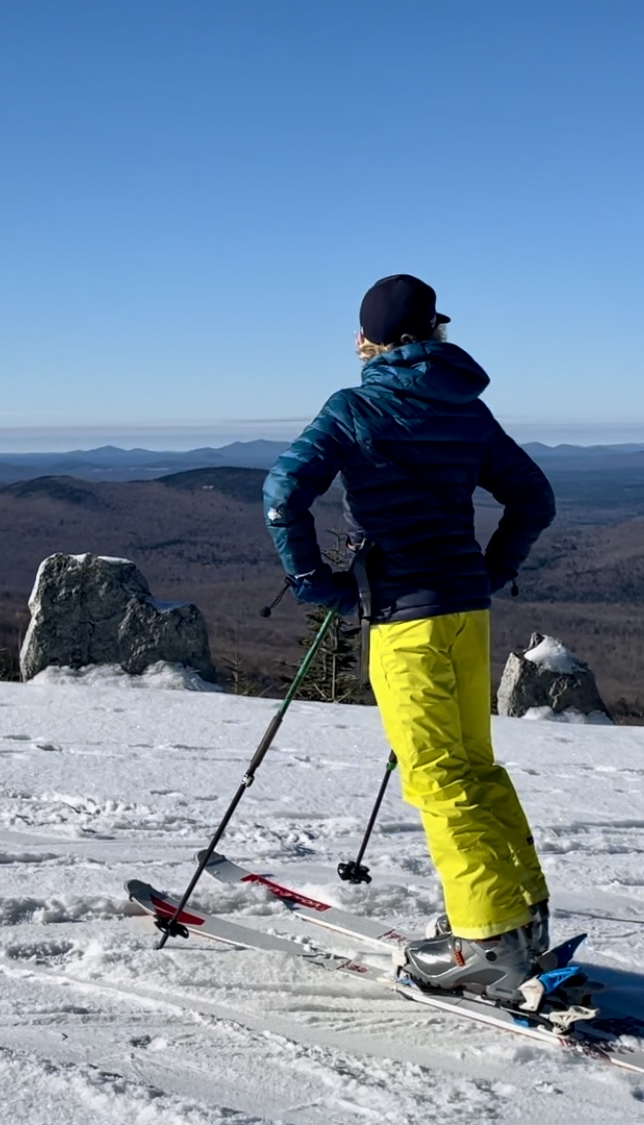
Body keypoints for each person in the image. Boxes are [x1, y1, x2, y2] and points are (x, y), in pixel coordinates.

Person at [263, 274, 561, 1006]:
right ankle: (520, 920)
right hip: (466, 610)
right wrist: (492, 568)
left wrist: (313, 583)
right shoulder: (467, 408)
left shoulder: (357, 407)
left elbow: (281, 493)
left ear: (372, 340)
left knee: (438, 777)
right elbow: (534, 496)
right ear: (434, 331)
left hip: (405, 616)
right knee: (475, 768)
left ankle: (487, 942)